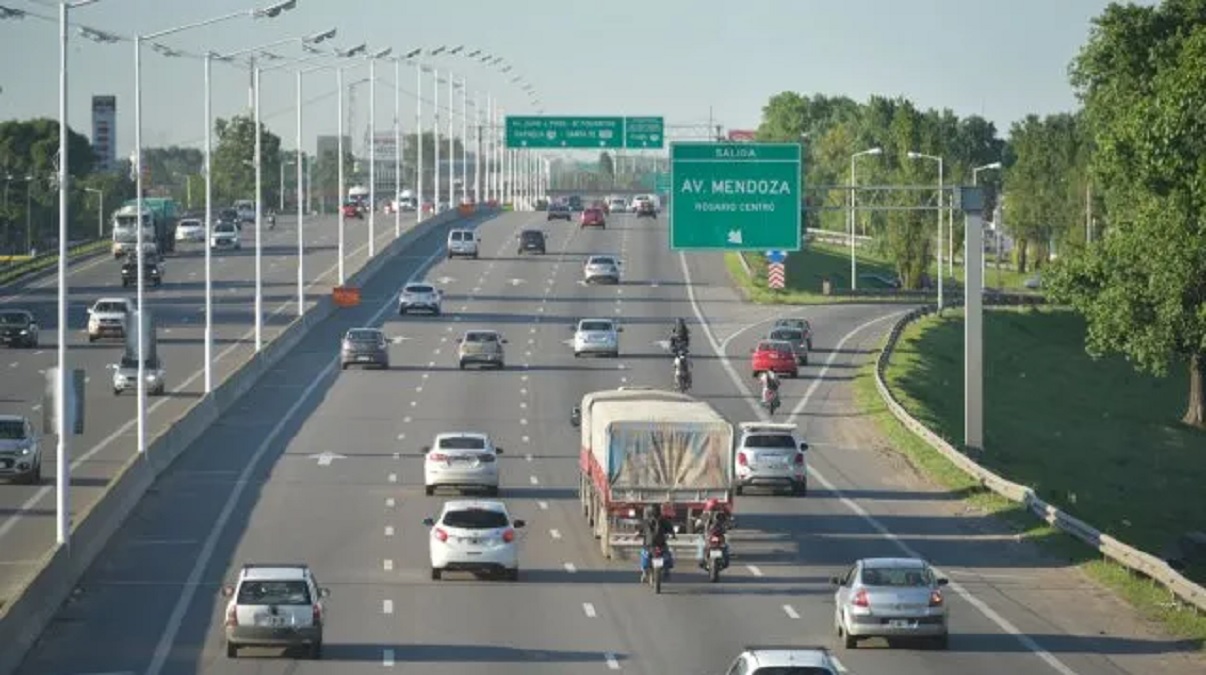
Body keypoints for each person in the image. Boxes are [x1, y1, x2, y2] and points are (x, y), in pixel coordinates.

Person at [639, 504, 676, 581]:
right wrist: (673, 535)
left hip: (649, 545)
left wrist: (638, 534)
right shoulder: (663, 520)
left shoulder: (645, 521)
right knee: (667, 554)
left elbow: (640, 531)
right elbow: (670, 530)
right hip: (660, 544)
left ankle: (644, 572)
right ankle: (666, 571)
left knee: (644, 555)